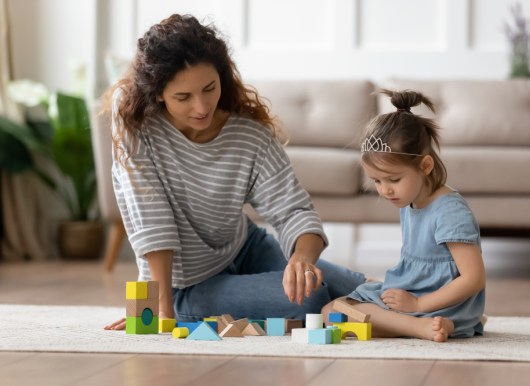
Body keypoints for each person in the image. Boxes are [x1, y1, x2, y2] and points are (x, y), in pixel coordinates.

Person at [103, 14, 366, 330]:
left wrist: (302, 260)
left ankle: (428, 304)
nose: (201, 107)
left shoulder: (248, 134)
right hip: (186, 283)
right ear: (158, 93)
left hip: (245, 247)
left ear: (221, 76)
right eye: (183, 97)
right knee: (311, 300)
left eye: (209, 88)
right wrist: (161, 310)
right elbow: (150, 217)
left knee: (356, 287)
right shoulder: (136, 125)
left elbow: (293, 210)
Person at [322, 89, 486, 342]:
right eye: (376, 180)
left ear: (426, 166)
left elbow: (473, 278)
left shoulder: (450, 212)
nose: (384, 190)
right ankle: (449, 325)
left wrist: (419, 304)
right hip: (416, 294)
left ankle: (426, 326)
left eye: (394, 179)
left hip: (436, 301)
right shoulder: (411, 200)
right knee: (330, 312)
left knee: (341, 313)